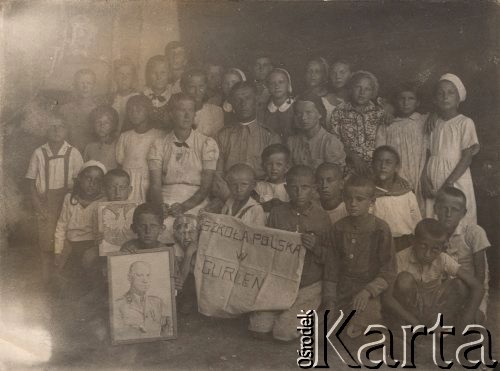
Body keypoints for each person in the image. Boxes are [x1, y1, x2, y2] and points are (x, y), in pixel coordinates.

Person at [248, 165, 329, 341]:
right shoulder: (278, 212)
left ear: (314, 188)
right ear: (286, 188)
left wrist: (315, 247)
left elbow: (331, 257)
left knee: (283, 333)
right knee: (258, 328)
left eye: (305, 187)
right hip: (282, 280)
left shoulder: (322, 217)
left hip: (309, 283)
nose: (299, 192)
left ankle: (315, 314)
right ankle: (288, 311)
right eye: (294, 187)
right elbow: (268, 248)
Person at [322, 175, 396, 338]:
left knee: (355, 331)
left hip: (368, 291)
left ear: (371, 201)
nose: (353, 204)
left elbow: (388, 271)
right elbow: (331, 269)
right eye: (349, 199)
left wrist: (368, 291)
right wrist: (329, 300)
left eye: (359, 199)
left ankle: (380, 332)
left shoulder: (381, 229)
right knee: (323, 332)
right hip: (343, 290)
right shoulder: (338, 228)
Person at [382, 219, 484, 330]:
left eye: (435, 249)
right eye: (423, 246)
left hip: (434, 309)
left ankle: (439, 324)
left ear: (442, 248)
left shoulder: (443, 258)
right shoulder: (400, 259)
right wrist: (414, 322)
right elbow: (386, 298)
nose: (427, 254)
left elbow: (477, 286)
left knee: (460, 285)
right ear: (413, 241)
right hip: (410, 312)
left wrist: (467, 317)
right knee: (404, 280)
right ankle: (412, 327)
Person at [148, 93, 219, 241]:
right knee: (161, 229)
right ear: (171, 114)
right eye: (181, 110)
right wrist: (160, 207)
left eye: (190, 110)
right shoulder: (159, 144)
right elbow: (155, 185)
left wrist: (184, 207)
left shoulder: (206, 143)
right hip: (166, 200)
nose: (187, 115)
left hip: (196, 201)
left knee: (192, 228)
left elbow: (206, 187)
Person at [25, 113, 83, 282]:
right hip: (45, 203)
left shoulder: (73, 153)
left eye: (61, 126)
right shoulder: (38, 153)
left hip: (67, 202)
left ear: (67, 130)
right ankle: (46, 279)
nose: (56, 130)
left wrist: (73, 205)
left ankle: (61, 276)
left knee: (65, 238)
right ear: (45, 130)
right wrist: (37, 205)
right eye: (52, 126)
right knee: (46, 241)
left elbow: (79, 183)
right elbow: (30, 183)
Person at [421, 73, 479, 225]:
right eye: (440, 93)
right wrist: (424, 179)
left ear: (458, 98)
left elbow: (467, 157)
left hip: (455, 178)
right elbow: (427, 154)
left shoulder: (465, 123)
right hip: (433, 177)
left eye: (450, 93)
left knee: (454, 217)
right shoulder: (432, 123)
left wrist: (448, 183)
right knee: (433, 217)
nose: (445, 97)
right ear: (434, 99)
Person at [434, 187, 490, 321]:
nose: (448, 214)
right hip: (443, 290)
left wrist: (472, 305)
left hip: (472, 291)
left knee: (472, 329)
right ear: (436, 209)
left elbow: (480, 275)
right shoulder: (432, 231)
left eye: (454, 210)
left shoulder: (474, 232)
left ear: (463, 213)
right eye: (444, 208)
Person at [54, 161, 107, 296]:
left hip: (91, 245)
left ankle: (93, 294)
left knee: (91, 277)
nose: (92, 183)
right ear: (79, 179)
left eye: (97, 180)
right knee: (64, 284)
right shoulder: (70, 199)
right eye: (88, 178)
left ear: (102, 184)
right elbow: (61, 225)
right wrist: (58, 250)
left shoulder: (104, 202)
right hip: (71, 244)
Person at [375, 83, 427, 214]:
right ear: (396, 102)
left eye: (411, 99)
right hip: (396, 175)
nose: (406, 103)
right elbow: (380, 152)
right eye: (401, 98)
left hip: (418, 175)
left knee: (418, 210)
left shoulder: (423, 122)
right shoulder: (388, 125)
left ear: (418, 102)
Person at [327, 70, 390, 176]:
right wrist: (353, 157)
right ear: (351, 89)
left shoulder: (379, 113)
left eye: (367, 89)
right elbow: (334, 142)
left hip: (376, 170)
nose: (362, 92)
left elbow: (386, 144)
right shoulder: (339, 112)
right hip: (348, 168)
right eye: (358, 87)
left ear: (372, 92)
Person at [215, 81, 280, 181]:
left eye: (248, 98)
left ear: (256, 101)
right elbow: (218, 173)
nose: (243, 104)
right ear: (232, 103)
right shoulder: (222, 136)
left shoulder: (270, 137)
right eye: (238, 99)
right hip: (228, 191)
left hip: (261, 191)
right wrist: (227, 195)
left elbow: (274, 175)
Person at [116, 95, 165, 203]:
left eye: (139, 110)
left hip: (148, 180)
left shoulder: (158, 135)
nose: (134, 113)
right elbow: (120, 160)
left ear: (148, 111)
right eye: (130, 110)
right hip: (128, 182)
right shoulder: (125, 136)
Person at [372, 146, 421, 252]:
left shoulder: (406, 193)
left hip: (405, 243)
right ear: (372, 165)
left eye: (388, 162)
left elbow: (417, 221)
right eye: (379, 161)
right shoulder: (369, 194)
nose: (383, 166)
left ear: (396, 167)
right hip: (378, 243)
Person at [287, 93, 345, 169]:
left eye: (309, 112)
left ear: (320, 114)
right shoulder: (291, 142)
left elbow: (333, 177)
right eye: (298, 113)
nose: (303, 118)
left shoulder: (330, 142)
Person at [115, 261, 172, 339]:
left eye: (148, 275)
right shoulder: (118, 305)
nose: (145, 280)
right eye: (139, 275)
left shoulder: (158, 303)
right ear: (129, 278)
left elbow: (168, 333)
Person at [59, 68, 100, 152]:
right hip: (69, 154)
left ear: (94, 86)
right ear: (75, 85)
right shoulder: (65, 110)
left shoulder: (99, 110)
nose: (85, 87)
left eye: (89, 83)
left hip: (92, 155)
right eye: (81, 83)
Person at [180, 69, 224, 138]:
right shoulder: (176, 112)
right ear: (183, 88)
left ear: (206, 87)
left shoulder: (216, 112)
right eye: (192, 87)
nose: (197, 91)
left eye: (201, 86)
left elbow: (216, 142)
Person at [172, 214, 200, 314]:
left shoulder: (204, 246)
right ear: (175, 235)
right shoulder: (175, 249)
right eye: (182, 233)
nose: (187, 237)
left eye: (191, 232)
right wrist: (188, 254)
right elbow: (180, 281)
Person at [304, 57, 342, 125]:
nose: (312, 75)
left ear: (324, 75)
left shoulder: (333, 100)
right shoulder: (298, 98)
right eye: (309, 71)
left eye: (317, 72)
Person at [263, 68, 295, 142]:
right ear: (268, 87)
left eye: (281, 82)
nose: (276, 86)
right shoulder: (263, 110)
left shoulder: (296, 108)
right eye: (272, 83)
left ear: (288, 84)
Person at [83, 105, 119, 171]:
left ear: (113, 125)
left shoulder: (117, 145)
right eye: (98, 122)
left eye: (106, 123)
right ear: (93, 125)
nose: (102, 126)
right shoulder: (89, 147)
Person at [255, 144, 290, 209]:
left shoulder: (290, 187)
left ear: (287, 168)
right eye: (269, 164)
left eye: (279, 164)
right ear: (263, 166)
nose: (274, 168)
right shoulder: (258, 187)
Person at [111, 58, 140, 133]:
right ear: (115, 77)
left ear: (133, 78)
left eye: (128, 74)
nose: (124, 78)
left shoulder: (138, 98)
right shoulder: (110, 98)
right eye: (121, 74)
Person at [143, 55, 171, 130]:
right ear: (148, 74)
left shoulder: (174, 97)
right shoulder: (141, 96)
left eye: (163, 73)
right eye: (154, 73)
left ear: (169, 74)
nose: (159, 77)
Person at [252, 55, 273, 120]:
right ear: (252, 68)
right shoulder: (247, 88)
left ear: (271, 68)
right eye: (257, 65)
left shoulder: (276, 88)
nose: (261, 68)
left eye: (265, 65)